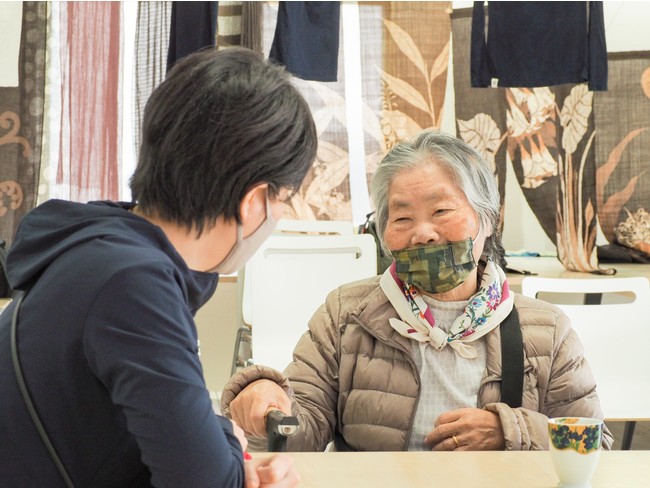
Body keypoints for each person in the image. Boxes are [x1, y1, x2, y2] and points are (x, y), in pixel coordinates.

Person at [0, 47, 316, 487]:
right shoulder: (134, 284)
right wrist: (231, 450)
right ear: (252, 201)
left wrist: (224, 448)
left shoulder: (94, 249)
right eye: (283, 200)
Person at [221, 130, 613, 452]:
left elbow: (593, 445)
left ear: (488, 219)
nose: (422, 232)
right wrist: (267, 403)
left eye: (441, 211)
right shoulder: (347, 313)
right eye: (402, 217)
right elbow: (300, 426)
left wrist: (509, 431)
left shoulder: (546, 330)